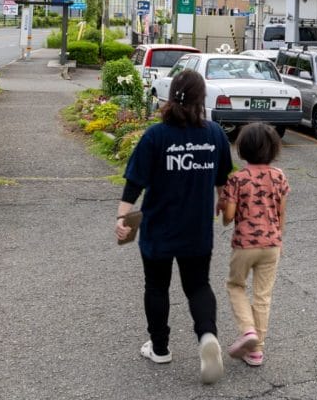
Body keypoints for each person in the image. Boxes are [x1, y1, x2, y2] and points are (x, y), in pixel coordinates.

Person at [115, 69, 233, 384]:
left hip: (159, 230)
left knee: (156, 286)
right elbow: (224, 184)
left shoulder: (156, 136)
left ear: (170, 98)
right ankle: (207, 336)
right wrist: (225, 209)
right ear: (201, 99)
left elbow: (134, 183)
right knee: (198, 285)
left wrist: (121, 219)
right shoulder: (215, 135)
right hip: (197, 230)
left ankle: (160, 348)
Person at [220, 122, 289, 367]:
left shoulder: (237, 179)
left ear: (242, 149)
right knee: (263, 296)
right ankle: (257, 350)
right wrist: (279, 240)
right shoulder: (279, 176)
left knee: (235, 285)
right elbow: (281, 213)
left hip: (245, 245)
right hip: (272, 244)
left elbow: (228, 217)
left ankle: (248, 331)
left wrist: (224, 208)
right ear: (273, 150)